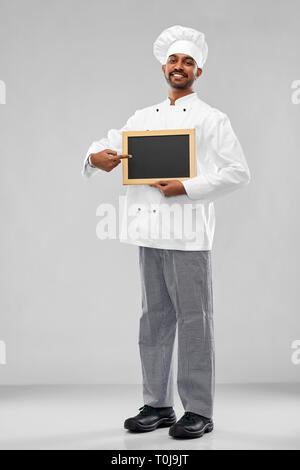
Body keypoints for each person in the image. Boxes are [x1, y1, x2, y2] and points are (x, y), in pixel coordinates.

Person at [82, 25, 251, 439]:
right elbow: (107, 146)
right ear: (164, 67)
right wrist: (94, 156)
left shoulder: (212, 119)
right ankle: (157, 405)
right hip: (149, 234)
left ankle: (199, 410)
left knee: (195, 320)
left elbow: (238, 172)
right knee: (153, 320)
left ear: (198, 72)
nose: (180, 67)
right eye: (174, 60)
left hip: (189, 235)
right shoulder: (142, 117)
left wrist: (186, 187)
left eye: (188, 61)